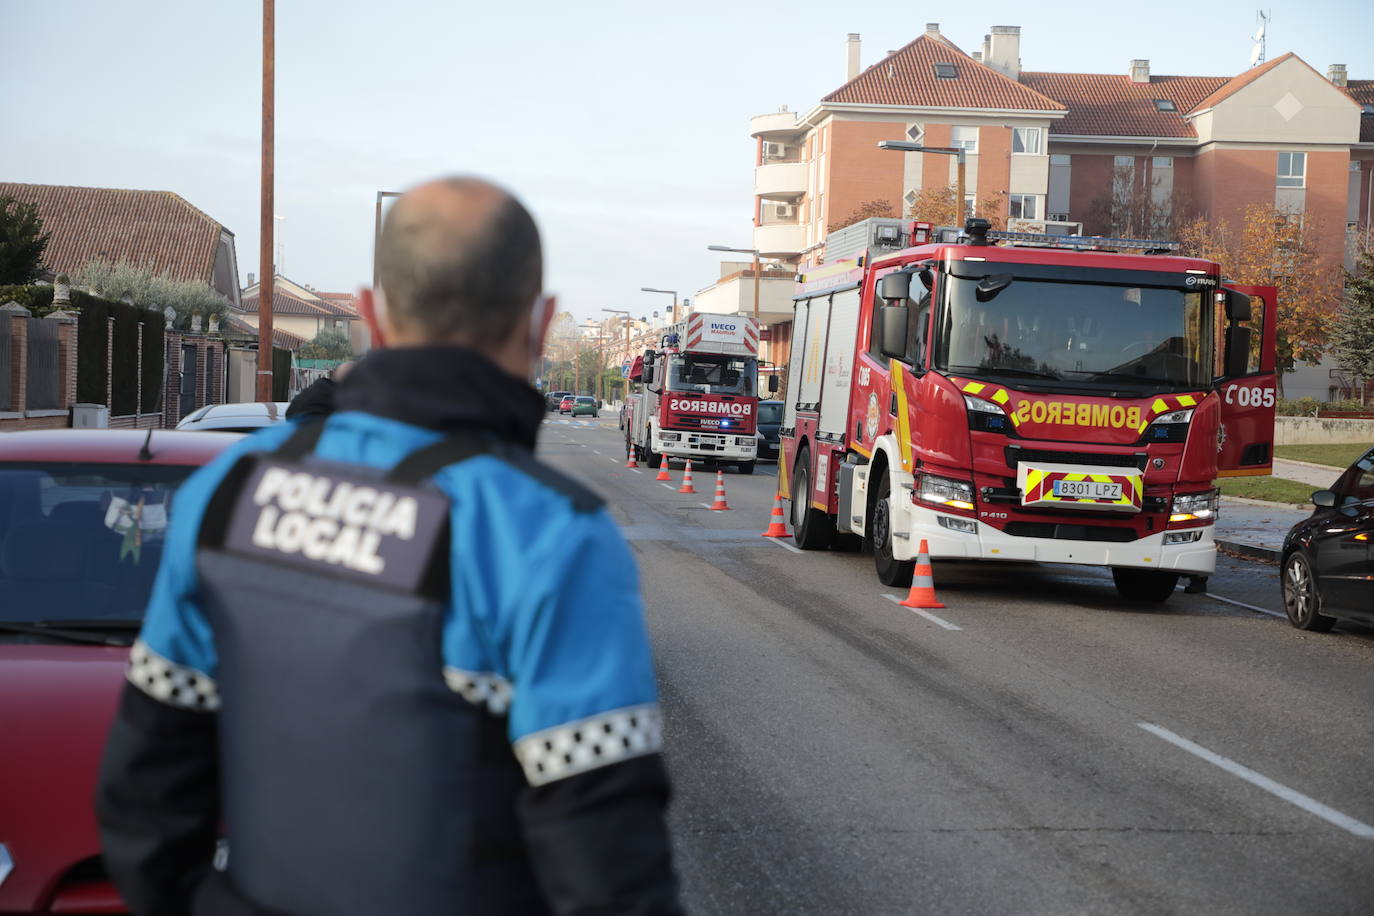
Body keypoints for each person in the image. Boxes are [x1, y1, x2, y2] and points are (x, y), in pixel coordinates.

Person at [96, 177, 682, 916]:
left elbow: (144, 797)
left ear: (371, 314)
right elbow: (610, 869)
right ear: (541, 323)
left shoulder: (233, 486)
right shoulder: (549, 532)